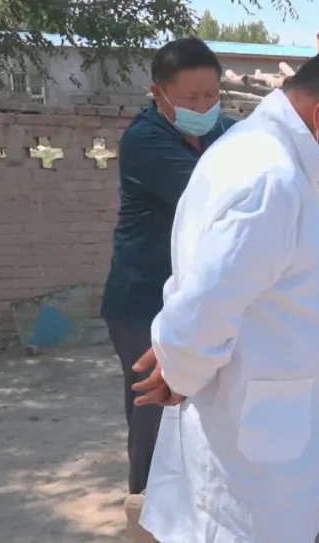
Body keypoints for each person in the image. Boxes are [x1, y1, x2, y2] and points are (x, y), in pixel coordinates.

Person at [130, 44, 319, 543]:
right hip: (253, 441)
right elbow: (207, 303)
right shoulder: (271, 179)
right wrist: (180, 367)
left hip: (260, 417)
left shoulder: (258, 153)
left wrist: (180, 358)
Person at [98, 37, 236, 539]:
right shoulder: (145, 141)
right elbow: (218, 194)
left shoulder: (224, 130)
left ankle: (197, 520)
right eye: (190, 98)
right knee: (154, 415)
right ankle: (146, 520)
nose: (203, 107)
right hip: (142, 302)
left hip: (193, 300)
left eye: (211, 95)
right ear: (158, 94)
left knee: (201, 417)